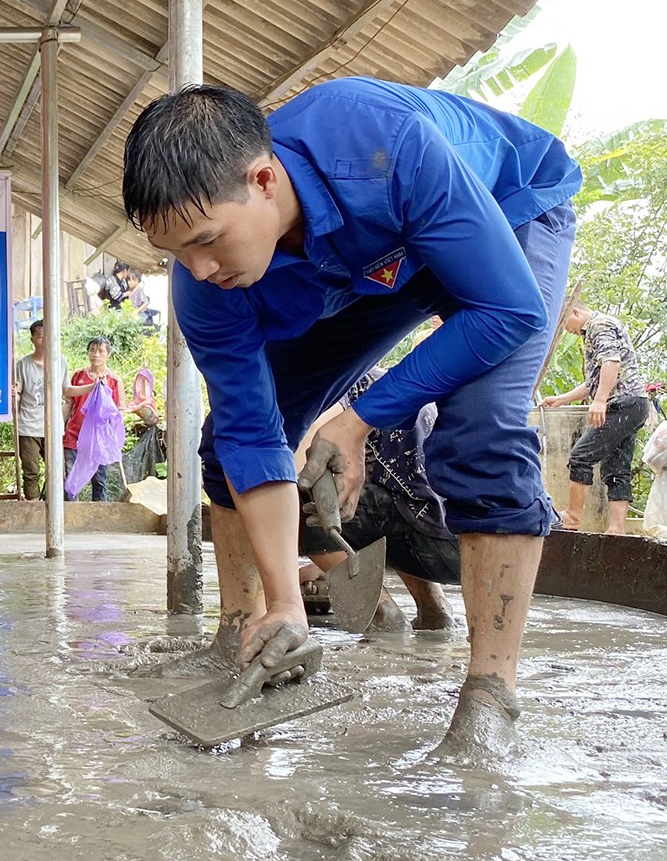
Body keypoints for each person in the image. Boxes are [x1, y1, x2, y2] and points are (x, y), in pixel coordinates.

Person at [122, 76, 580, 756]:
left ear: (264, 178)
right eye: (178, 251)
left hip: (502, 215)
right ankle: (248, 628)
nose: (198, 266)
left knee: (481, 427)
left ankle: (490, 697)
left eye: (209, 239)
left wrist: (358, 418)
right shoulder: (205, 281)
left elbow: (508, 310)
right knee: (226, 441)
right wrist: (287, 597)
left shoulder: (382, 142)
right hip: (362, 268)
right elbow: (254, 434)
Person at [297, 369, 458, 631]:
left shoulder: (334, 388)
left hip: (431, 539)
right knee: (394, 492)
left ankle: (381, 612)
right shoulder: (385, 380)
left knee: (291, 492)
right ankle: (435, 611)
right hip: (465, 539)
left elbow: (299, 465)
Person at [541, 303, 651, 534]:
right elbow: (597, 378)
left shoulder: (599, 325)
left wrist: (600, 401)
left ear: (575, 312)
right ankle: (616, 528)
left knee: (581, 456)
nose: (566, 330)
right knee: (617, 468)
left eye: (565, 324)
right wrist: (562, 399)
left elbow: (611, 362)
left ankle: (572, 517)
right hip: (634, 404)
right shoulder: (597, 329)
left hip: (622, 403)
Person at [63, 337, 123, 501]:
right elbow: (69, 402)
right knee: (70, 476)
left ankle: (99, 517)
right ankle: (69, 516)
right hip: (74, 434)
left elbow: (118, 412)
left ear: (108, 355)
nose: (96, 354)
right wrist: (60, 427)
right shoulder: (78, 376)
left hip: (100, 440)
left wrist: (114, 439)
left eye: (100, 351)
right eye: (92, 350)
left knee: (99, 480)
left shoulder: (114, 380)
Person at [14, 320, 48, 500]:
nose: (45, 340)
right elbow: (17, 393)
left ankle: (52, 507)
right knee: (31, 472)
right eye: (41, 336)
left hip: (51, 427)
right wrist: (14, 397)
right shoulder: (23, 365)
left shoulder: (60, 362)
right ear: (33, 339)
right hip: (28, 427)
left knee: (59, 472)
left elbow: (66, 392)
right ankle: (34, 509)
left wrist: (91, 387)